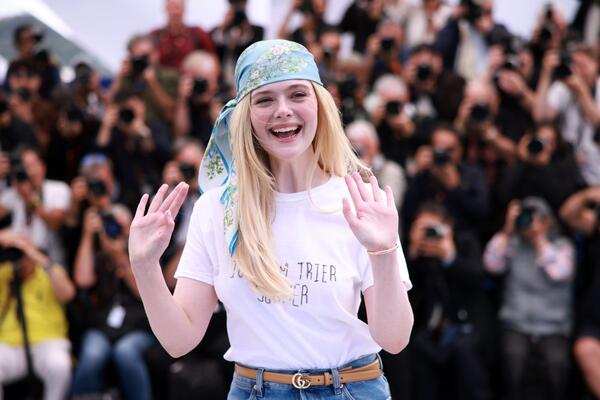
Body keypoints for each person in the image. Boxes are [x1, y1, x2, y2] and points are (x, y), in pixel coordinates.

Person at [127, 39, 413, 399]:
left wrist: (383, 251)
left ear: (320, 104)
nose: (283, 110)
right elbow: (179, 340)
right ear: (245, 115)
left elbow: (395, 338)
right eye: (264, 100)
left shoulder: (358, 200)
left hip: (351, 389)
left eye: (297, 94)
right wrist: (144, 265)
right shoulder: (217, 209)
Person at [0, 229, 75, 400]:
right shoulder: (4, 273)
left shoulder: (49, 271)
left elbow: (68, 294)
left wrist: (32, 253)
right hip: (9, 344)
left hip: (48, 342)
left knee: (59, 366)